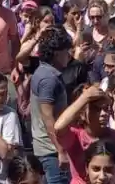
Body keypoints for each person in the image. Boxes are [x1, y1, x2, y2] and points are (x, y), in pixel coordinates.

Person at [30, 26, 73, 184]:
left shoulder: (46, 72)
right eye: (66, 51)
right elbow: (47, 116)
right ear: (56, 53)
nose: (69, 54)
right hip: (51, 150)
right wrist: (61, 150)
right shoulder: (48, 78)